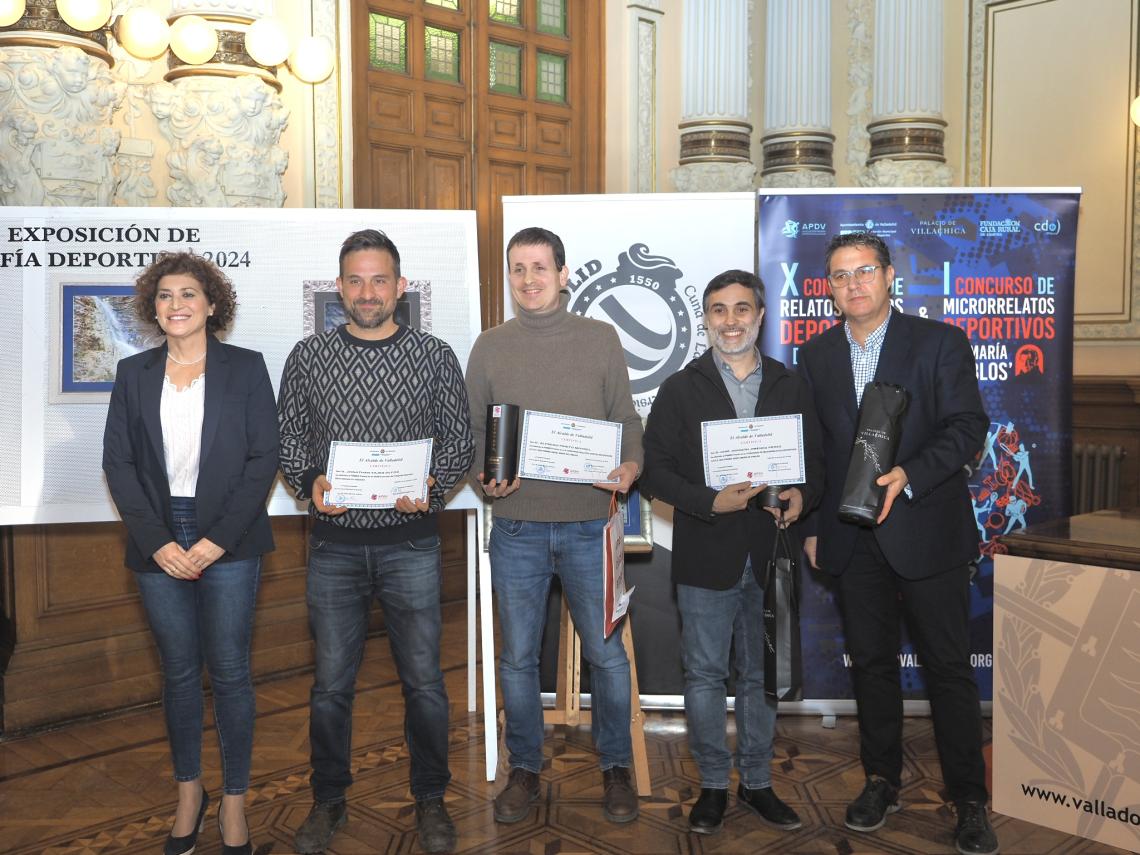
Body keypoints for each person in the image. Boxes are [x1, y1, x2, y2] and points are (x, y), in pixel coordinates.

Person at [798, 232, 999, 855]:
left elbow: (969, 427)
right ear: (827, 288)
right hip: (852, 541)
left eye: (864, 272)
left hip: (928, 533)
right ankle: (881, 779)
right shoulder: (818, 356)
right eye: (839, 276)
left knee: (947, 669)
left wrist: (909, 476)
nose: (853, 284)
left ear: (889, 278)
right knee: (873, 667)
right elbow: (817, 451)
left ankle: (969, 799)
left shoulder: (938, 343)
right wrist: (809, 525)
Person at [278, 229, 473, 855]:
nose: (368, 292)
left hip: (412, 545)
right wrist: (311, 480)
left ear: (401, 286)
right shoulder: (307, 359)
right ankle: (328, 801)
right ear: (340, 288)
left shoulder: (436, 356)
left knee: (424, 683)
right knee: (331, 685)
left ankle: (431, 799)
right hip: (333, 547)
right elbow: (290, 442)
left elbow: (459, 441)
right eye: (356, 281)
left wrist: (434, 487)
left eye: (379, 280)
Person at [102, 252, 279, 855]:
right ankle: (188, 792)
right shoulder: (133, 373)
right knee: (178, 675)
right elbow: (118, 465)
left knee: (229, 674)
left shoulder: (247, 369)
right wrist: (158, 543)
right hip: (157, 538)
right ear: (154, 308)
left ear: (211, 305)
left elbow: (263, 461)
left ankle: (233, 802)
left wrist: (213, 542)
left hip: (228, 538)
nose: (176, 304)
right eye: (165, 296)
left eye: (188, 294)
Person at [465, 226, 643, 825]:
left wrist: (630, 465)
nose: (528, 279)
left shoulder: (600, 338)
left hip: (591, 525)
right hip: (515, 527)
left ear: (563, 275)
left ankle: (616, 766)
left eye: (540, 268)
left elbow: (626, 419)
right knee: (517, 660)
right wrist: (483, 479)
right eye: (517, 269)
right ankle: (525, 768)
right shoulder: (489, 346)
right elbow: (471, 436)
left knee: (607, 656)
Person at [640, 270, 823, 835]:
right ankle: (714, 787)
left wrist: (800, 496)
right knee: (702, 676)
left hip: (773, 553)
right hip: (706, 555)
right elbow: (654, 474)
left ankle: (759, 784)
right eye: (718, 310)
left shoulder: (793, 385)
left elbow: (818, 466)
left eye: (741, 309)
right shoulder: (680, 388)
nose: (730, 321)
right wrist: (710, 501)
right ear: (706, 320)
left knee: (761, 675)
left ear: (760, 316)